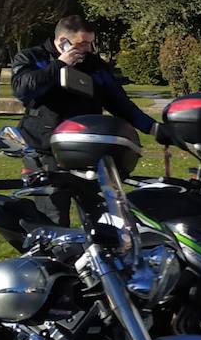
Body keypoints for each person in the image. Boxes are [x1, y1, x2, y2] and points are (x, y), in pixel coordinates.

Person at [11, 14, 173, 225]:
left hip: (87, 150)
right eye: (83, 43)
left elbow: (120, 102)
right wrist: (60, 64)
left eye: (90, 42)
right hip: (45, 151)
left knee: (99, 216)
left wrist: (152, 128)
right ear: (62, 41)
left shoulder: (95, 65)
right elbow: (24, 90)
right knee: (53, 216)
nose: (88, 48)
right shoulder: (32, 58)